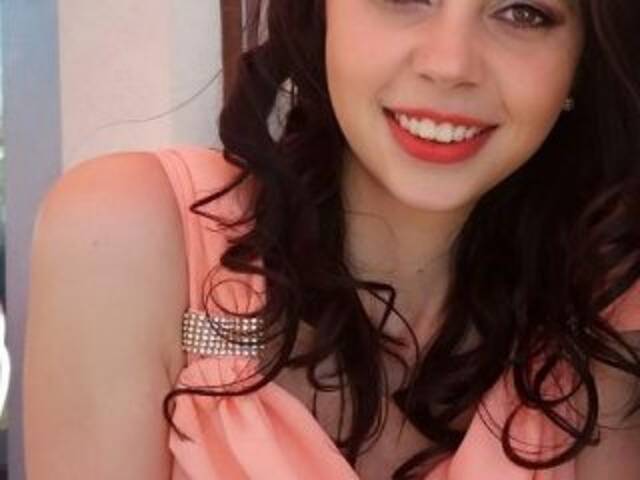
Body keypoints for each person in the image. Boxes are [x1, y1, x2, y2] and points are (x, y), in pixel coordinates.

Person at [23, 1, 640, 479]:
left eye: (523, 12)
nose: (450, 64)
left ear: (580, 62)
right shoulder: (128, 232)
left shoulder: (598, 320)